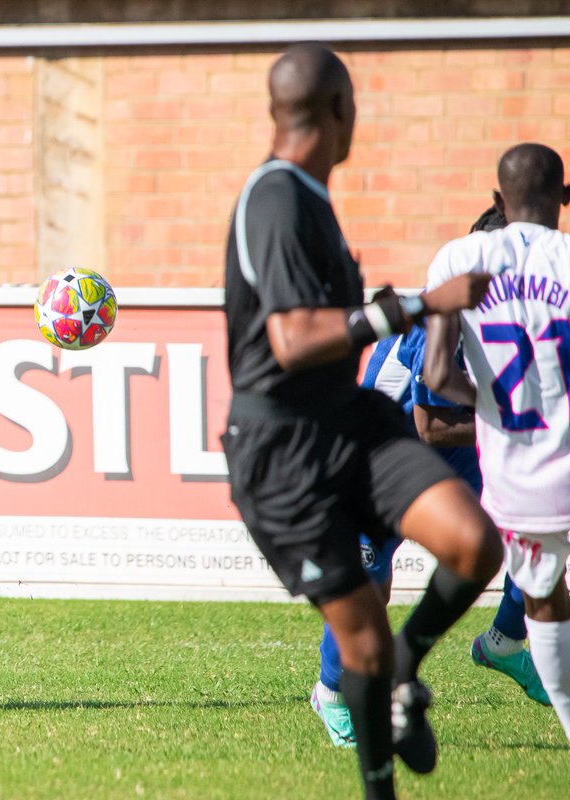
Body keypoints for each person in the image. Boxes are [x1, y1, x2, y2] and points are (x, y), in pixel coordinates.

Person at [221, 43, 501, 800]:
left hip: (351, 420)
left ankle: (407, 668)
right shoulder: (274, 197)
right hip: (283, 453)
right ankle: (380, 784)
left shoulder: (309, 195)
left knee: (476, 545)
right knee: (362, 647)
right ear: (339, 110)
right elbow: (291, 340)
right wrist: (413, 303)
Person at [310, 207, 550, 749]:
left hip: (459, 450)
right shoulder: (448, 311)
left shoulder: (523, 309)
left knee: (533, 518)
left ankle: (506, 642)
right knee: (370, 585)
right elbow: (433, 425)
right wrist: (521, 422)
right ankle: (332, 691)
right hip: (388, 451)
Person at [424, 142, 570, 741]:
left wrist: (492, 402)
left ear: (496, 200)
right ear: (564, 198)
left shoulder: (459, 258)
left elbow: (435, 375)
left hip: (518, 479)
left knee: (543, 598)